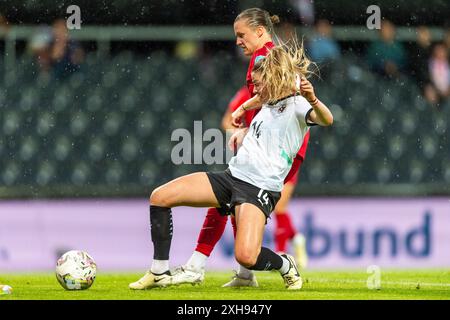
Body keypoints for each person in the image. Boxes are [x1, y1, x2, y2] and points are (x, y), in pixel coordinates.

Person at [128, 41, 333, 291]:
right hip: (232, 177)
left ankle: (284, 263)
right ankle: (159, 271)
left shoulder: (299, 106)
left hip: (258, 188)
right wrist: (242, 110)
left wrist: (312, 98)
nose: (254, 88)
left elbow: (326, 119)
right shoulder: (268, 102)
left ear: (273, 80)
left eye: (258, 83)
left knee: (247, 256)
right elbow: (261, 98)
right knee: (160, 197)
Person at [169, 8, 310, 289]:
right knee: (233, 201)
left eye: (241, 35)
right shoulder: (268, 54)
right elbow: (276, 100)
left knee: (230, 198)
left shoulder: (266, 56)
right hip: (269, 144)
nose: (237, 41)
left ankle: (202, 265)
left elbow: (280, 96)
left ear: (259, 31)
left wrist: (246, 118)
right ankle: (244, 272)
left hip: (271, 149)